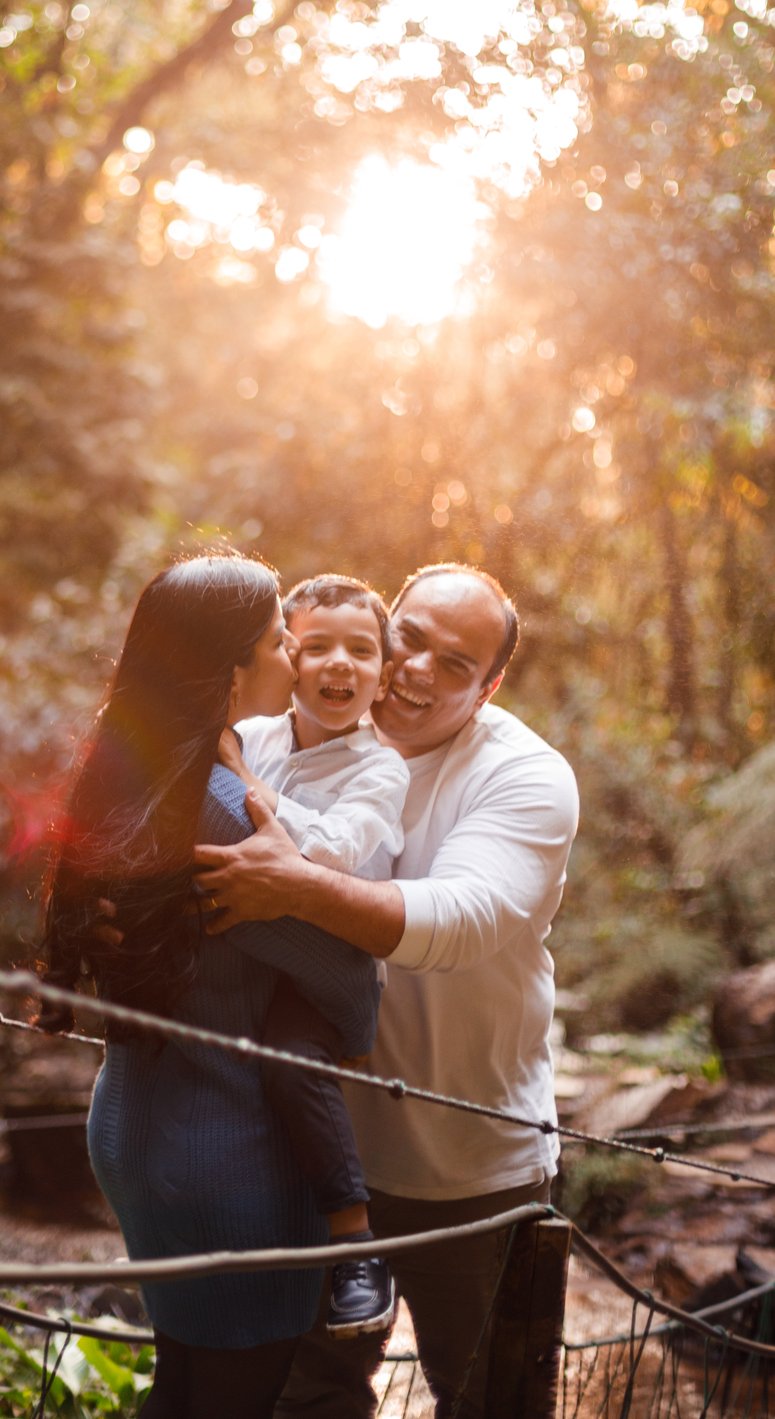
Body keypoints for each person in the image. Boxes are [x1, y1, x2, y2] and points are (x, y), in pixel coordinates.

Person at [193, 564, 580, 1419]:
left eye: (455, 663)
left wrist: (294, 886)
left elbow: (459, 920)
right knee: (305, 1401)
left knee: (489, 1400)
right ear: (383, 622)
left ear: (489, 686)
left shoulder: (525, 777)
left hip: (471, 1167)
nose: (415, 671)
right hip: (307, 1154)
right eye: (409, 639)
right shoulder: (285, 731)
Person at [41, 554, 382, 1419]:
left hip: (136, 1133)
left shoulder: (134, 782)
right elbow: (353, 997)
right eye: (278, 640)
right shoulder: (229, 819)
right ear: (231, 670)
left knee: (181, 1388)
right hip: (228, 1161)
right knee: (230, 1398)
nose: (295, 653)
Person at [220, 574, 408, 1337]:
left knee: (290, 1057)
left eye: (362, 651)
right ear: (285, 655)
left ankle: (355, 1242)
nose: (341, 665)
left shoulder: (379, 767)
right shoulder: (257, 731)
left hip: (332, 965)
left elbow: (330, 851)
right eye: (318, 645)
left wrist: (239, 780)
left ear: (383, 672)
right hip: (256, 945)